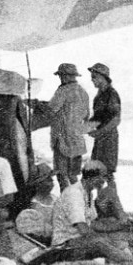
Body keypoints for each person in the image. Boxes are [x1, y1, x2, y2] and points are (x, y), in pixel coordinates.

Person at [41, 160, 133, 265]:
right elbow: (83, 229)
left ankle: (129, 257)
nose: (104, 180)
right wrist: (107, 238)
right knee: (100, 242)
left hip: (78, 240)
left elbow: (92, 223)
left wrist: (117, 227)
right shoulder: (74, 194)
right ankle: (131, 260)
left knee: (113, 230)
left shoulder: (88, 193)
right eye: (102, 176)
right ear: (92, 178)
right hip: (64, 245)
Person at [48, 63, 90, 191]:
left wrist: (37, 105)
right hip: (77, 140)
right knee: (73, 176)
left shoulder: (63, 90)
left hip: (62, 140)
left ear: (65, 76)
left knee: (61, 175)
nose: (60, 78)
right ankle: (78, 203)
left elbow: (51, 109)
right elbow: (87, 115)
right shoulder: (83, 92)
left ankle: (66, 204)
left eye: (61, 75)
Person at [87, 63, 121, 188]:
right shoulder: (99, 96)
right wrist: (82, 127)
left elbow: (116, 120)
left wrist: (99, 132)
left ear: (103, 77)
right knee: (96, 173)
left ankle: (113, 203)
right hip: (100, 138)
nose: (92, 79)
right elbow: (97, 117)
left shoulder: (112, 94)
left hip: (109, 138)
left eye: (94, 76)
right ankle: (99, 203)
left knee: (108, 173)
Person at [15, 163, 58, 243]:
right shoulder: (33, 207)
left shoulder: (55, 198)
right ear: (38, 184)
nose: (52, 182)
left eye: (51, 179)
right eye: (48, 179)